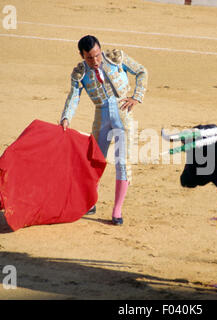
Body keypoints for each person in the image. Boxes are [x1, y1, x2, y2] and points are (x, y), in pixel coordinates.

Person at [60, 35, 148, 225]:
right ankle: (90, 200)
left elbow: (141, 71)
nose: (95, 61)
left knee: (122, 163)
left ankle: (117, 210)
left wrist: (136, 97)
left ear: (101, 50)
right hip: (101, 117)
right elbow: (74, 96)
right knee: (94, 161)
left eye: (97, 55)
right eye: (89, 58)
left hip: (123, 115)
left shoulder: (116, 57)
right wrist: (66, 117)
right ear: (82, 55)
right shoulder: (80, 72)